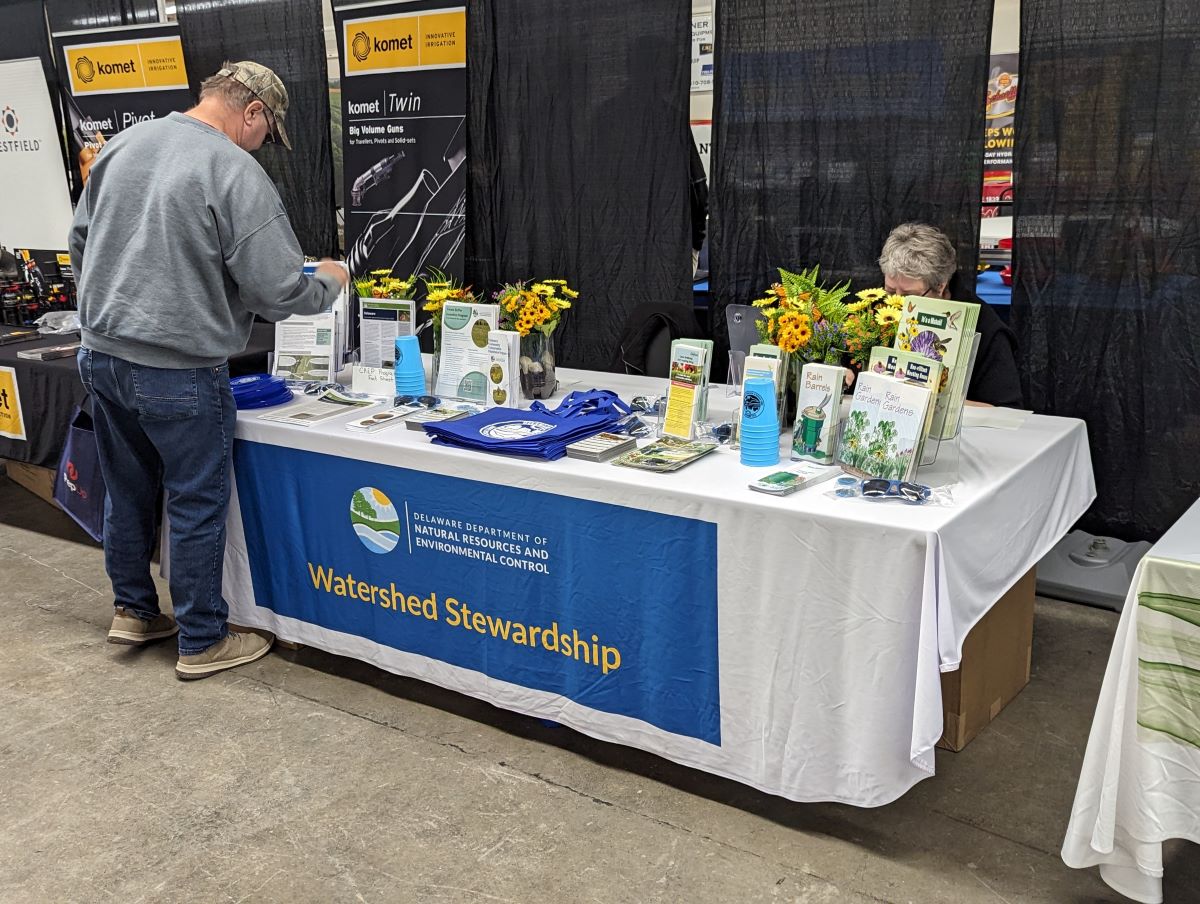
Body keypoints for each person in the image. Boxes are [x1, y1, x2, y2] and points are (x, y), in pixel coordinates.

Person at [68, 61, 350, 680]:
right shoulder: (230, 168)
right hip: (178, 369)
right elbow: (278, 292)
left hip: (102, 357)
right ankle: (201, 638)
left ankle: (134, 610)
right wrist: (330, 280)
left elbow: (80, 244)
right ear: (251, 112)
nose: (262, 147)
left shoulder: (123, 144)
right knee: (196, 502)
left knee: (128, 489)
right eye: (265, 133)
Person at [878, 222, 1023, 408]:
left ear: (941, 285)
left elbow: (1008, 410)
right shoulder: (877, 310)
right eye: (890, 292)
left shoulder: (985, 328)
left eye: (909, 296)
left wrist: (933, 401)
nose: (898, 304)